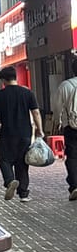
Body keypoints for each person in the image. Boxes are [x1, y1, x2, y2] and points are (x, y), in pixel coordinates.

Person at [0, 66, 43, 203]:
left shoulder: (0, 94)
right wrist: (39, 130)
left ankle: (10, 180)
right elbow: (35, 112)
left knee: (5, 160)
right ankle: (23, 194)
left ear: (3, 80)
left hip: (7, 133)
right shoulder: (27, 93)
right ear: (15, 77)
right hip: (25, 133)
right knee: (22, 162)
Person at [51, 57, 77, 201]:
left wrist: (57, 122)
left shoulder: (65, 86)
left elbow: (57, 108)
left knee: (72, 157)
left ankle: (74, 186)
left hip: (72, 127)